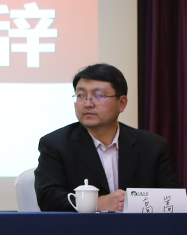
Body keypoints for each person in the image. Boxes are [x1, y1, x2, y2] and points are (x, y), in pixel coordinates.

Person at [34, 63, 180, 212]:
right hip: (83, 226)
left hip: (137, 226)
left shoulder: (152, 146)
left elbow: (173, 200)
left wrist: (131, 203)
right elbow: (48, 198)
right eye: (81, 95)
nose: (87, 104)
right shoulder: (55, 144)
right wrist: (97, 204)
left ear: (122, 103)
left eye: (98, 95)